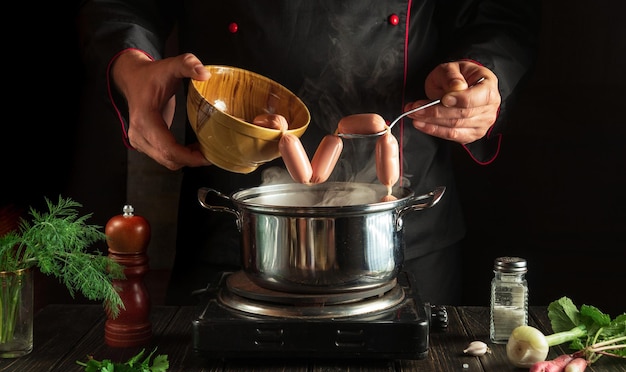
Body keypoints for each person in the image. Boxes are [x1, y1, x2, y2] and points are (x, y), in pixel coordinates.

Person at [76, 1, 540, 306]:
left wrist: (485, 74)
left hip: (400, 230)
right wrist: (131, 65)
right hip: (234, 220)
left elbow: (497, 13)